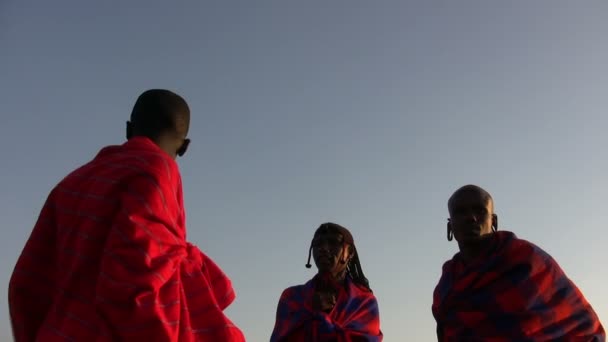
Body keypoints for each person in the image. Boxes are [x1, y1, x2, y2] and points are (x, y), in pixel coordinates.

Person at [8, 89, 245, 341]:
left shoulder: (70, 183)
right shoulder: (157, 170)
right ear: (184, 146)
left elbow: (26, 282)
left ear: (129, 129)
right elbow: (135, 280)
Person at [433, 184, 605, 341]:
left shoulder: (526, 260)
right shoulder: (447, 285)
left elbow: (580, 325)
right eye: (460, 212)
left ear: (494, 222)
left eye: (479, 211)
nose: (471, 218)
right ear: (450, 227)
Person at [270, 222, 383, 342]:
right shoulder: (292, 297)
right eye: (318, 244)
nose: (323, 248)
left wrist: (321, 319)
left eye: (333, 242)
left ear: (349, 252)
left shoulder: (364, 302)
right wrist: (310, 311)